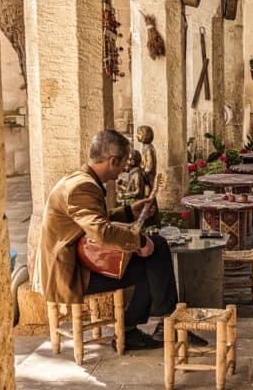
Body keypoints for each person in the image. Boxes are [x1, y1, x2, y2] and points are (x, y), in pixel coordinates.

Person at [37, 129, 206, 351]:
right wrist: (140, 242)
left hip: (80, 262)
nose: (127, 167)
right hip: (72, 273)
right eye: (124, 162)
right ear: (113, 160)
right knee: (155, 253)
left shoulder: (80, 178)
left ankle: (142, 329)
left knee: (153, 258)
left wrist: (128, 211)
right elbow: (101, 231)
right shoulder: (82, 186)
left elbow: (94, 221)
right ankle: (160, 325)